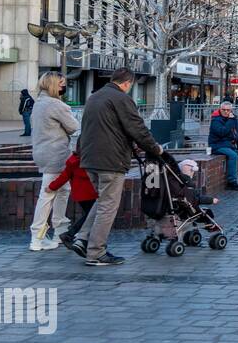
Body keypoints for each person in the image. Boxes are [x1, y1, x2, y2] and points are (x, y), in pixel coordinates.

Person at [67, 66, 163, 266]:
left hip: (89, 159)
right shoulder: (121, 99)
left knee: (102, 202)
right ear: (127, 83)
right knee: (108, 207)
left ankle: (82, 238)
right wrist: (155, 149)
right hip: (110, 160)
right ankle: (96, 252)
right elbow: (137, 128)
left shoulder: (95, 97)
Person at [27, 71, 79, 251]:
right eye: (61, 84)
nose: (63, 87)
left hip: (42, 153)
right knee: (49, 193)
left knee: (62, 190)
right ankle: (38, 237)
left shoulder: (38, 103)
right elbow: (74, 127)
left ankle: (58, 232)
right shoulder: (56, 105)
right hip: (56, 155)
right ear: (53, 85)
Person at [52, 151, 97, 250]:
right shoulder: (90, 161)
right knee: (92, 215)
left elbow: (64, 176)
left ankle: (76, 235)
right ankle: (70, 234)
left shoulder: (72, 161)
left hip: (79, 195)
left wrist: (52, 187)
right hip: (91, 193)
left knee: (89, 215)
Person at [209, 100, 238, 190]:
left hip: (229, 146)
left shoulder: (234, 120)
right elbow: (222, 132)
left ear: (231, 110)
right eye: (224, 110)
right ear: (220, 109)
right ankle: (231, 182)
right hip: (217, 145)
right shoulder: (216, 120)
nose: (226, 112)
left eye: (228, 110)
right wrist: (230, 121)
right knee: (233, 155)